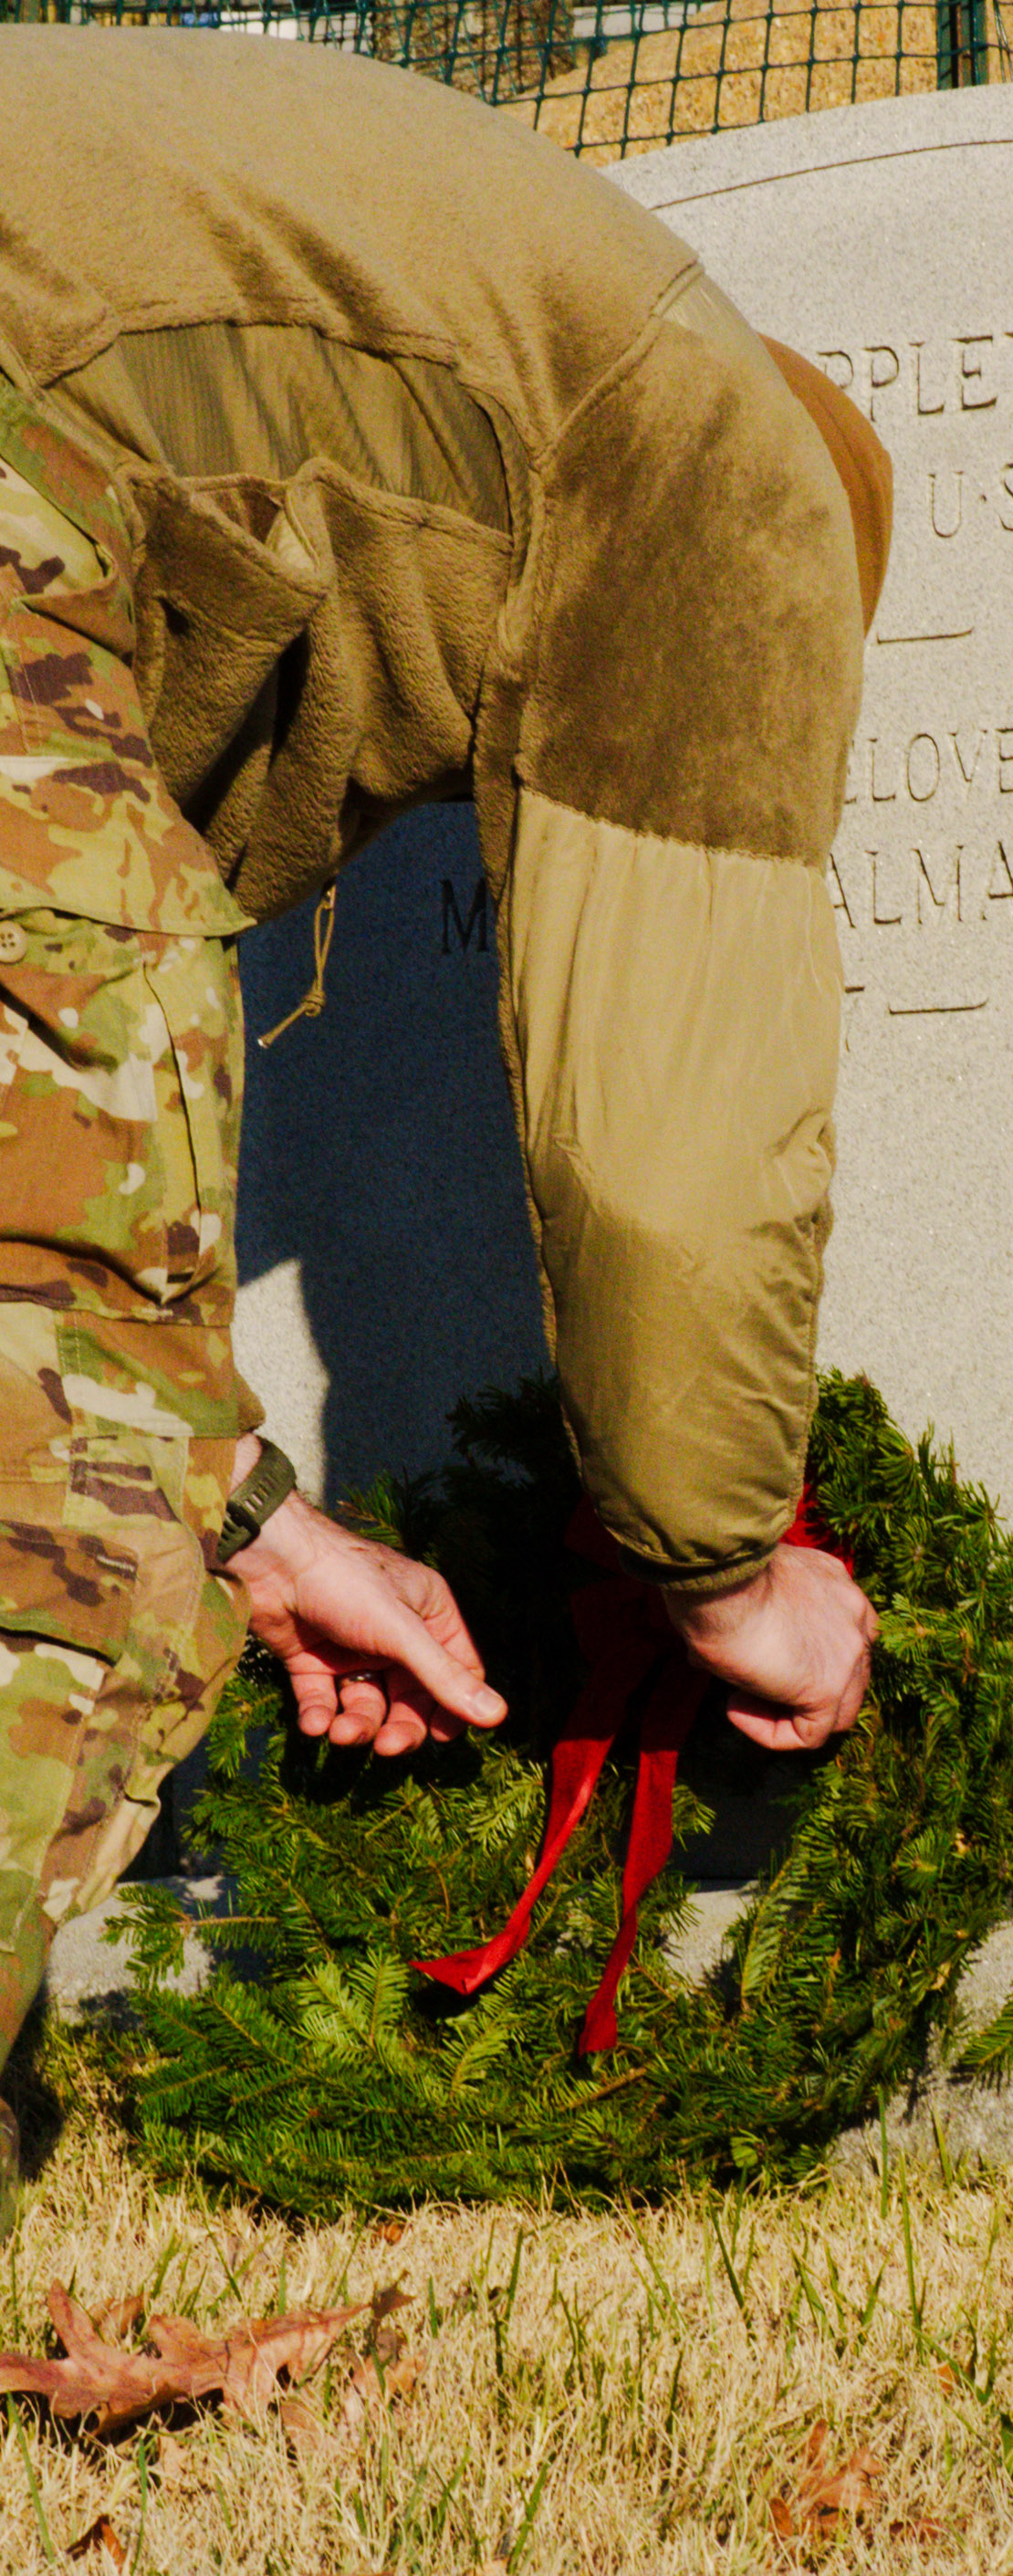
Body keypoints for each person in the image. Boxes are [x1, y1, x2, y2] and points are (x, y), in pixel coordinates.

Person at [0, 27, 892, 2203]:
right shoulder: (719, 479)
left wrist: (254, 1519)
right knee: (59, 1562)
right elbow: (670, 1165)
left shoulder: (454, 303)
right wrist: (718, 1566)